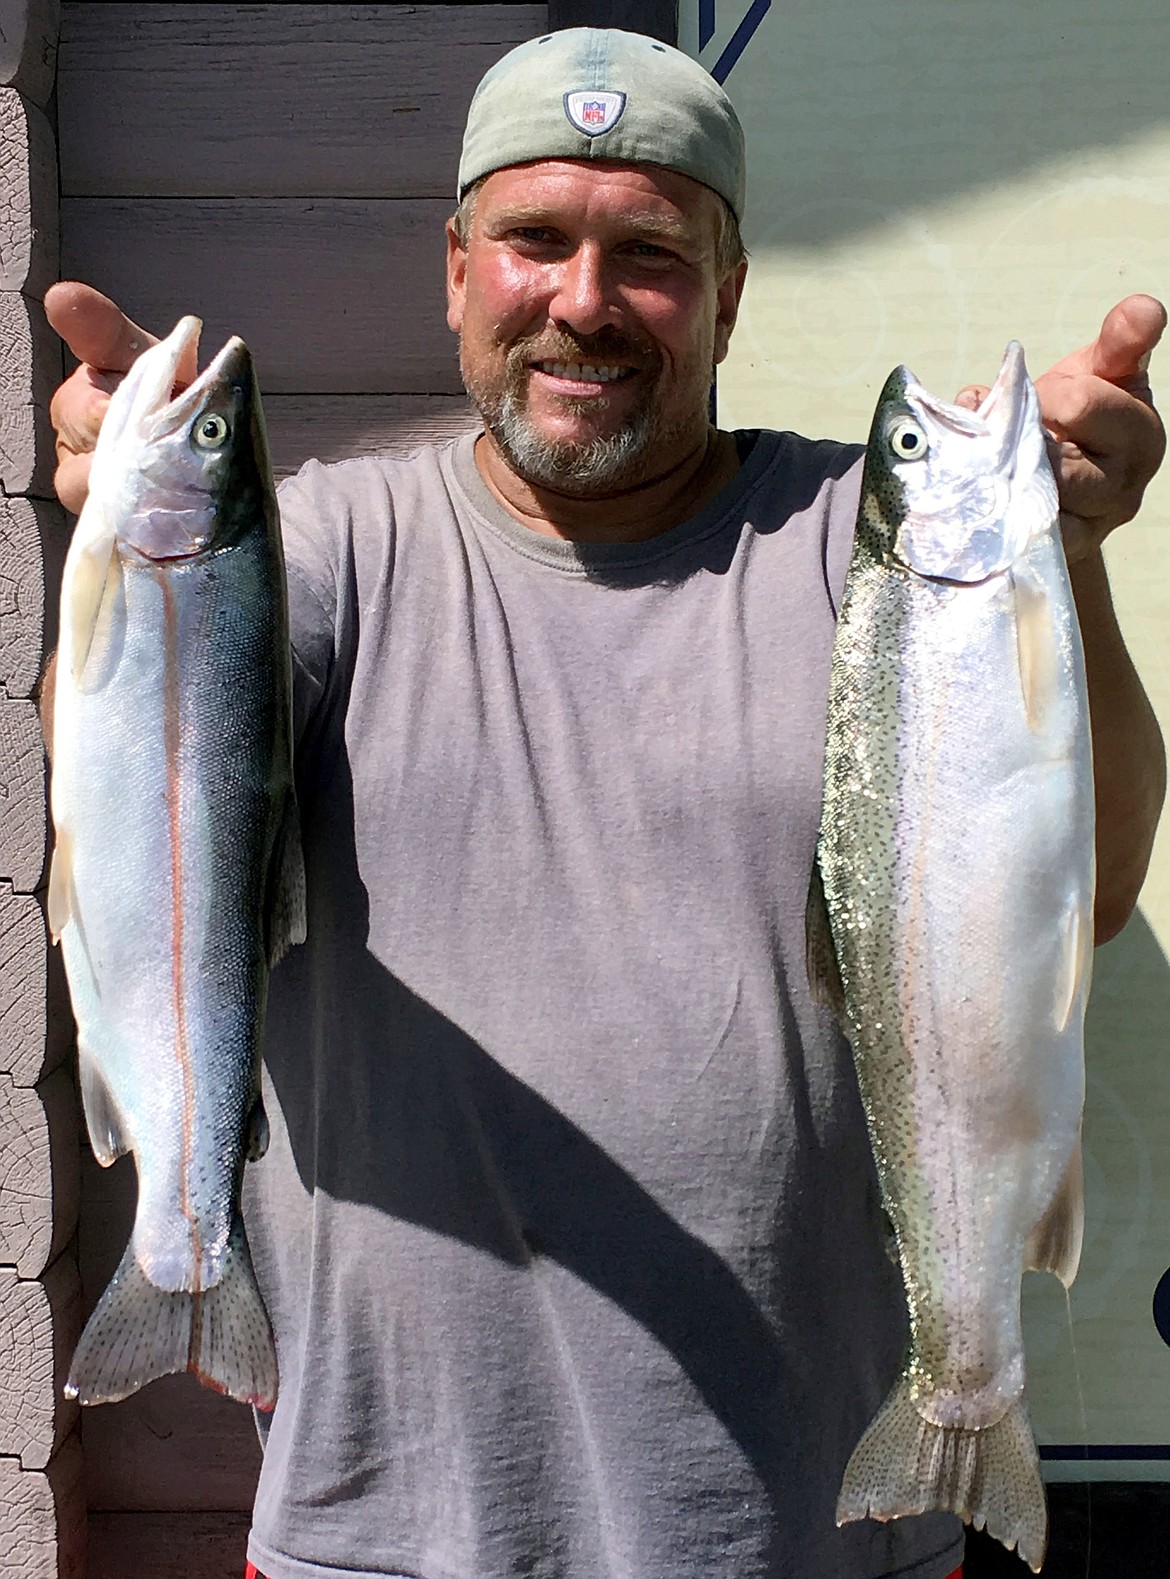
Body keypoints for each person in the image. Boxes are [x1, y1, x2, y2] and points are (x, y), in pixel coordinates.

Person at [43, 27, 1166, 1579]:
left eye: (647, 251)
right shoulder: (314, 551)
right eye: (533, 241)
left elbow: (1088, 884)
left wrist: (1069, 560)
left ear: (727, 290)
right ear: (455, 270)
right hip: (374, 1531)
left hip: (812, 1533)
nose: (584, 301)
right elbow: (120, 826)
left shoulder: (882, 551)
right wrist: (125, 557)